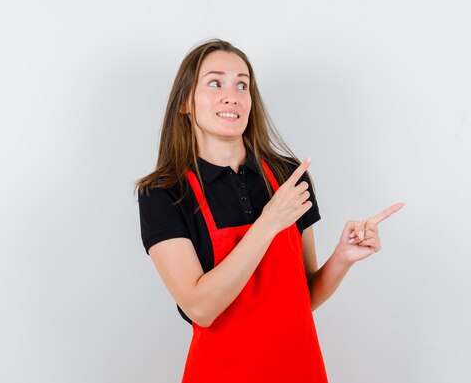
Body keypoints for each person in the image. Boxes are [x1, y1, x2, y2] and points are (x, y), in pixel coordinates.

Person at [135, 38, 404, 383]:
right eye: (215, 82)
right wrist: (269, 222)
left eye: (242, 84)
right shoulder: (163, 193)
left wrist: (342, 257)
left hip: (299, 371)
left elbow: (302, 297)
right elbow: (200, 308)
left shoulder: (288, 177)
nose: (231, 95)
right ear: (185, 101)